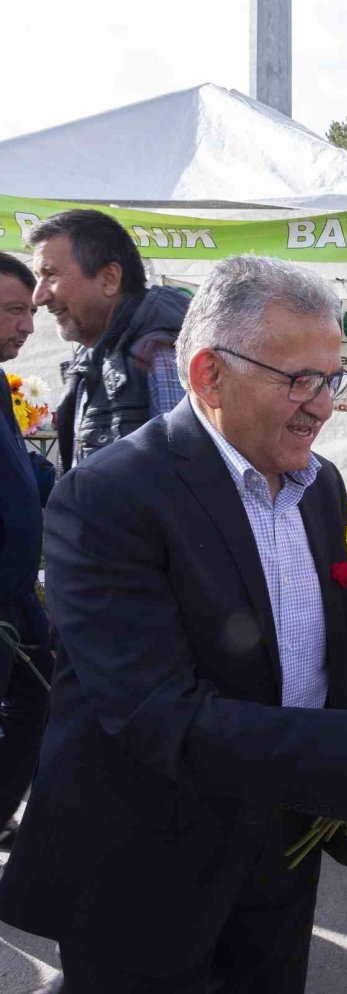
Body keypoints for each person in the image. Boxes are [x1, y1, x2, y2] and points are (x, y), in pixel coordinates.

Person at [0, 256, 347, 994]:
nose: (323, 406)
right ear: (208, 375)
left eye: (332, 378)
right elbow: (157, 714)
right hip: (145, 870)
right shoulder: (107, 498)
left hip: (283, 846)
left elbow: (308, 643)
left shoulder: (319, 487)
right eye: (298, 379)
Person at [27, 209, 189, 471]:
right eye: (38, 278)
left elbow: (184, 479)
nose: (38, 296)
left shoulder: (159, 351)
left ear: (109, 279)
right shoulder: (95, 356)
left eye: (51, 275)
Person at [0, 252, 54, 848]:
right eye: (15, 311)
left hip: (17, 596)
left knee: (38, 697)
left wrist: (76, 490)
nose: (28, 325)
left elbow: (20, 467)